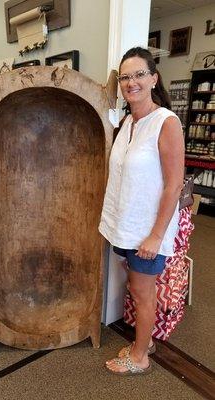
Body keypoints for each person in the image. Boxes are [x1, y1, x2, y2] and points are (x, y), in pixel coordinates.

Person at [99, 47, 185, 376]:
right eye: (124, 76)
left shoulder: (166, 122)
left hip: (148, 231)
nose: (131, 82)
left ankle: (139, 356)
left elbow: (173, 185)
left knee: (141, 292)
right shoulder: (127, 123)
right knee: (136, 288)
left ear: (153, 78)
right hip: (126, 225)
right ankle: (144, 341)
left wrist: (155, 235)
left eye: (138, 74)